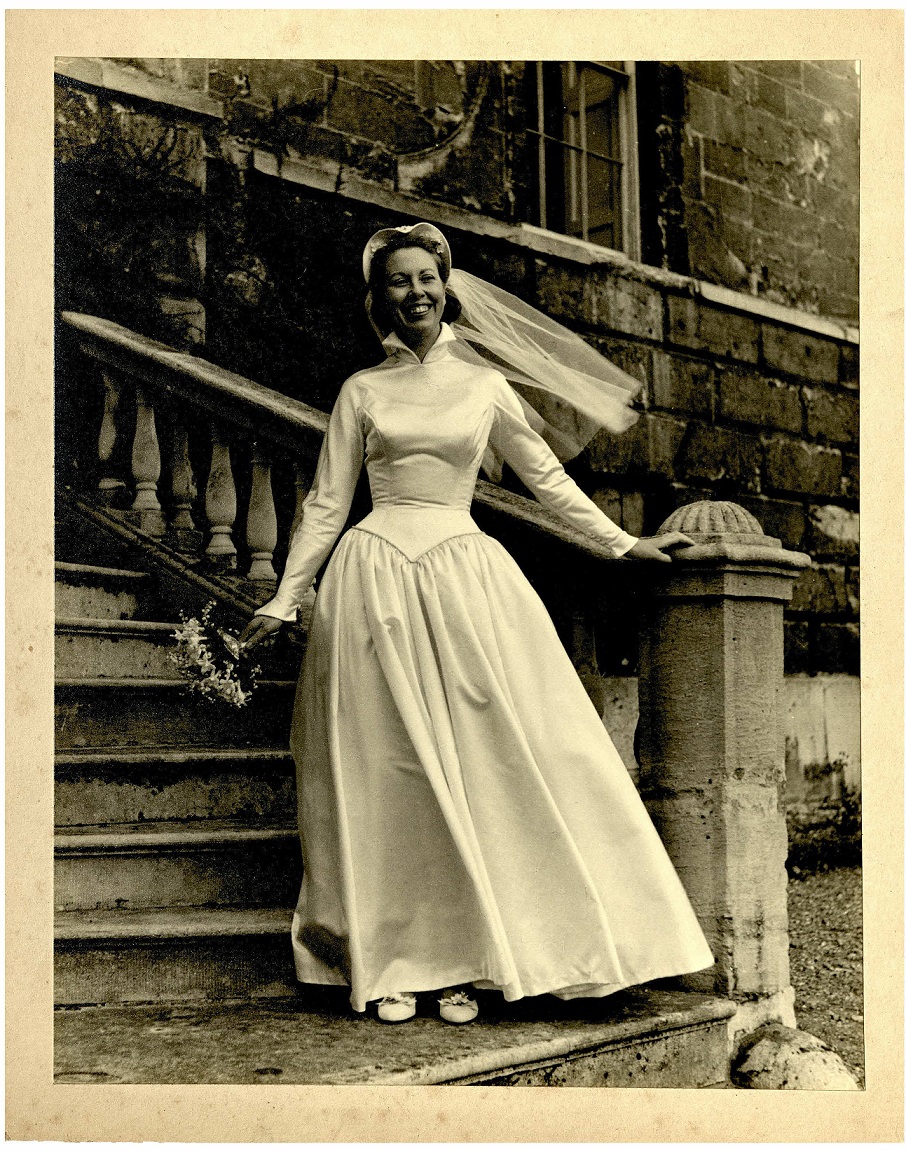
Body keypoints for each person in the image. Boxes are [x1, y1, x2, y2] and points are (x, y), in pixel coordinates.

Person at [240, 223, 714, 1025]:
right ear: (379, 296)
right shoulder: (361, 391)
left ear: (446, 286)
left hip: (465, 577)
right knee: (388, 773)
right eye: (398, 280)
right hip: (374, 581)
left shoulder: (484, 387)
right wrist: (285, 597)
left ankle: (473, 959)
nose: (415, 291)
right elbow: (326, 503)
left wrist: (622, 541)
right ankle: (393, 961)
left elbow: (546, 479)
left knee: (488, 761)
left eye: (427, 277)